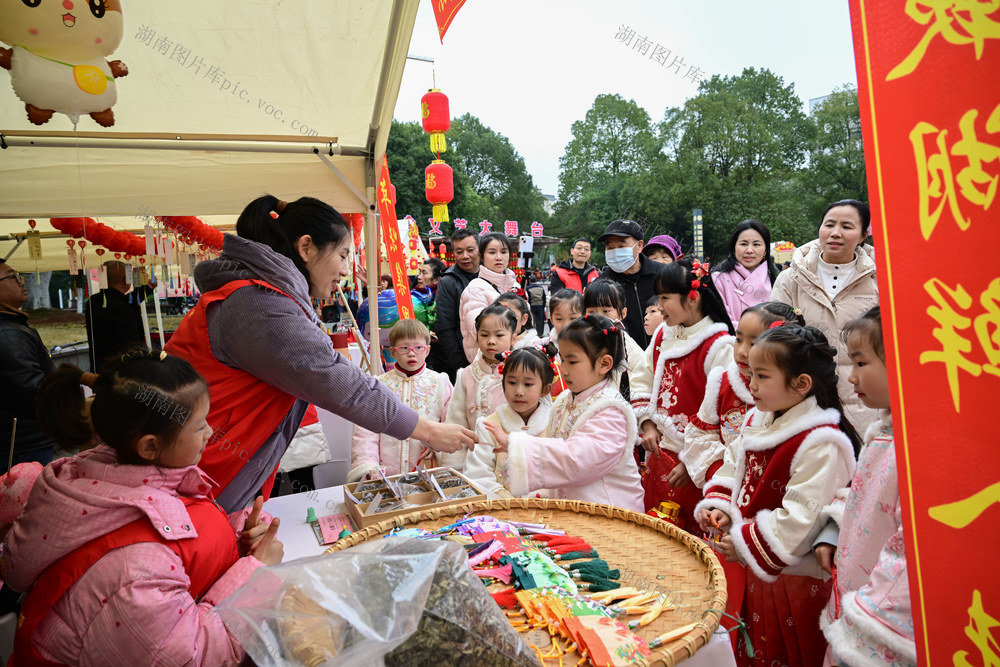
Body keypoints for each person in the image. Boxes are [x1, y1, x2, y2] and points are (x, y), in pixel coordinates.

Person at [164, 195, 474, 512]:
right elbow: (345, 386)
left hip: (202, 471)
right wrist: (430, 431)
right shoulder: (259, 304)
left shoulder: (259, 295)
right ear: (307, 247)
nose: (344, 269)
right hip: (190, 481)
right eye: (342, 254)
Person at [4, 352, 284, 665]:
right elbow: (193, 656)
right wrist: (256, 576)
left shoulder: (100, 480)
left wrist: (236, 535)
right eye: (198, 426)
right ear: (149, 446)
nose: (210, 432)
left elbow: (178, 532)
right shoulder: (133, 573)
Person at [694, 325, 859, 667]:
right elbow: (734, 463)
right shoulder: (761, 416)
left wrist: (743, 542)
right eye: (751, 374)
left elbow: (802, 517)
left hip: (794, 578)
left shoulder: (822, 442)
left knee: (791, 651)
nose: (751, 385)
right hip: (760, 568)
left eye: (762, 376)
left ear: (801, 384)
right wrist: (722, 506)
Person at [683, 302, 804, 649]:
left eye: (755, 342)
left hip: (773, 535)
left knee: (776, 625)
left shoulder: (804, 421)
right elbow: (703, 437)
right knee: (727, 606)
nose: (742, 351)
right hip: (729, 517)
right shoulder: (723, 382)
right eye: (738, 339)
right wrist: (724, 494)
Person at [815, 307, 915, 667]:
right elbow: (863, 497)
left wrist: (865, 629)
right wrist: (833, 529)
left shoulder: (917, 452)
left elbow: (911, 554)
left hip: (874, 633)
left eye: (860, 364)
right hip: (853, 600)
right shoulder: (883, 430)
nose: (851, 377)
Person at [484, 314, 644, 512]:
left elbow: (577, 460)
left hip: (610, 511)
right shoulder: (563, 400)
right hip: (577, 509)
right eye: (563, 359)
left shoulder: (611, 410)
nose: (564, 370)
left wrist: (517, 444)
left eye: (572, 362)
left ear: (604, 364)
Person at [630, 259, 734, 528]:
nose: (659, 305)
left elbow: (721, 415)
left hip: (694, 462)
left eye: (665, 298)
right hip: (657, 452)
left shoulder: (719, 346)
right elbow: (643, 377)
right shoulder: (664, 333)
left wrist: (692, 463)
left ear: (692, 297)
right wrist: (648, 423)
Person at [771, 199, 879, 435]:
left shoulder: (879, 280)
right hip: (806, 399)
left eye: (847, 227)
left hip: (865, 404)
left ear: (863, 235)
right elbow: (775, 337)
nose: (835, 233)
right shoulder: (791, 279)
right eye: (829, 224)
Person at [348, 319, 452, 481]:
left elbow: (450, 422)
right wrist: (368, 465)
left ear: (427, 350)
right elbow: (366, 431)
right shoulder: (379, 385)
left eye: (418, 348)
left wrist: (438, 443)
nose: (411, 353)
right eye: (404, 348)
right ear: (393, 352)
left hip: (428, 470)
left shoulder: (441, 382)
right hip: (386, 474)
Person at [464, 347, 554, 498]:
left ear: (545, 390)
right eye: (512, 382)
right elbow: (477, 474)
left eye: (528, 384)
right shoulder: (488, 426)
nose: (518, 391)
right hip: (501, 512)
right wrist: (504, 499)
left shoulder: (553, 423)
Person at [441, 304, 518, 470]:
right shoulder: (466, 375)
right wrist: (455, 467)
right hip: (474, 462)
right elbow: (457, 422)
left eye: (499, 335)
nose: (491, 341)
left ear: (513, 339)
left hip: (513, 460)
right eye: (484, 335)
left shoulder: (522, 373)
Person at [0, 261, 57, 465]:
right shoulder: (8, 333)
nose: (21, 282)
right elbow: (33, 391)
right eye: (12, 277)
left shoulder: (12, 327)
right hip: (22, 444)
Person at [597, 220, 661, 348]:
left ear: (639, 245)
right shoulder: (601, 285)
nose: (615, 252)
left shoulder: (662, 275)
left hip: (664, 352)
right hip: (624, 358)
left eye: (621, 246)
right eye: (610, 247)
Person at [84, 260, 157, 371]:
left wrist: (147, 288)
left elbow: (127, 300)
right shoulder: (120, 306)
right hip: (124, 368)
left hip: (101, 367)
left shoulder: (95, 301)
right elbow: (128, 302)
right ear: (125, 280)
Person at [429, 229, 481, 381]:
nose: (465, 256)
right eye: (459, 251)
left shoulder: (491, 274)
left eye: (470, 250)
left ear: (479, 250)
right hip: (463, 360)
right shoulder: (448, 282)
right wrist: (460, 363)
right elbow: (444, 326)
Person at [459, 232, 518, 363]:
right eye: (492, 252)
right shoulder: (475, 288)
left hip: (514, 361)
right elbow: (478, 329)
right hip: (487, 363)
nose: (499, 257)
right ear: (481, 256)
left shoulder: (515, 285)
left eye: (504, 252)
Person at [582, 279, 643, 400]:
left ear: (623, 313)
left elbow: (641, 380)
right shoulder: (580, 341)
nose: (599, 317)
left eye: (606, 311)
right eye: (592, 311)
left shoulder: (628, 346)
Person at [712, 220, 781, 325]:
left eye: (756, 244)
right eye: (744, 244)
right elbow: (721, 320)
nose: (749, 250)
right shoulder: (718, 279)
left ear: (766, 251)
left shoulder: (776, 281)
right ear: (734, 248)